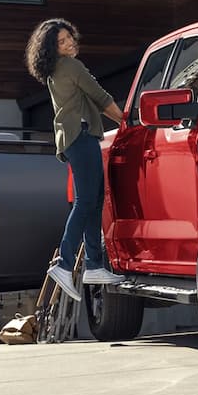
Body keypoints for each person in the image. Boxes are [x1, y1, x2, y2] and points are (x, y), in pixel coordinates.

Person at [26, 19, 127, 301]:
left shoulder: (54, 71)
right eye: (61, 41)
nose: (69, 43)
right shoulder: (71, 66)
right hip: (80, 138)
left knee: (93, 199)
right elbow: (100, 96)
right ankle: (65, 263)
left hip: (73, 139)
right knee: (86, 201)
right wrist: (126, 120)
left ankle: (94, 265)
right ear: (52, 48)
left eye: (69, 37)